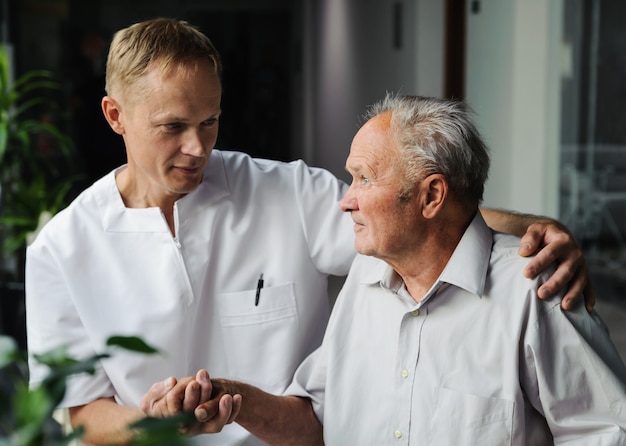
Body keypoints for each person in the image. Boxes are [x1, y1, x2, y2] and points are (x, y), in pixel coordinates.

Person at [25, 19, 592, 445]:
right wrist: (156, 424)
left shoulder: (285, 192)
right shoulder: (61, 249)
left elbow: (414, 216)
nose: (197, 148)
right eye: (172, 128)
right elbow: (78, 411)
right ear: (114, 115)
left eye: (210, 122)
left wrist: (537, 229)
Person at [165, 94, 626, 444]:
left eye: (364, 178)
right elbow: (316, 422)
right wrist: (231, 397)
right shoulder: (363, 281)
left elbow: (607, 432)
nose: (346, 200)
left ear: (431, 196)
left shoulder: (532, 293)